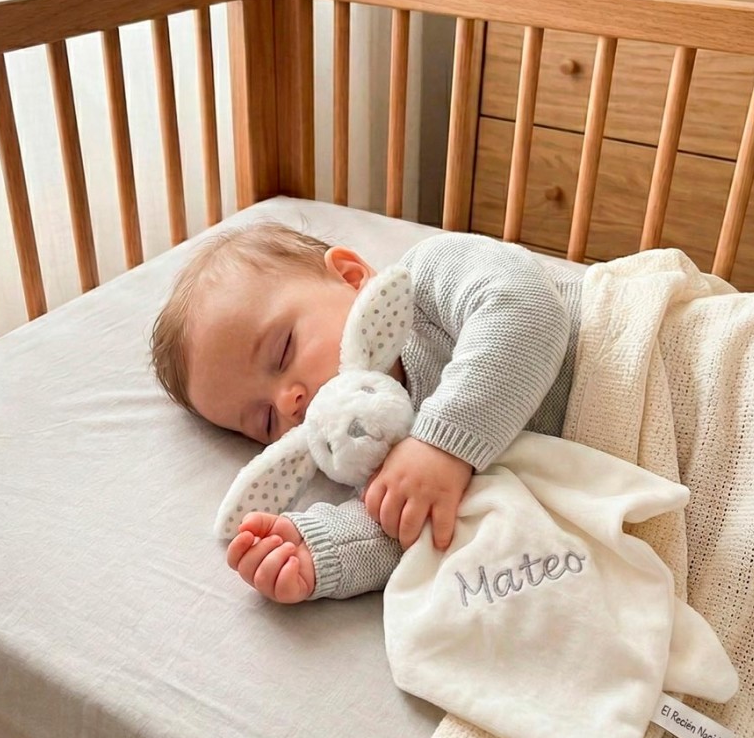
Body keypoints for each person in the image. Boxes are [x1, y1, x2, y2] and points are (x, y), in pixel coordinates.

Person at [151, 222, 582, 604]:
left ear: (351, 277)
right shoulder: (360, 452)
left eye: (282, 352)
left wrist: (442, 443)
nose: (286, 403)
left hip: (613, 352)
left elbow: (527, 308)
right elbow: (410, 520)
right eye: (265, 421)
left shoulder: (423, 282)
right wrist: (318, 550)